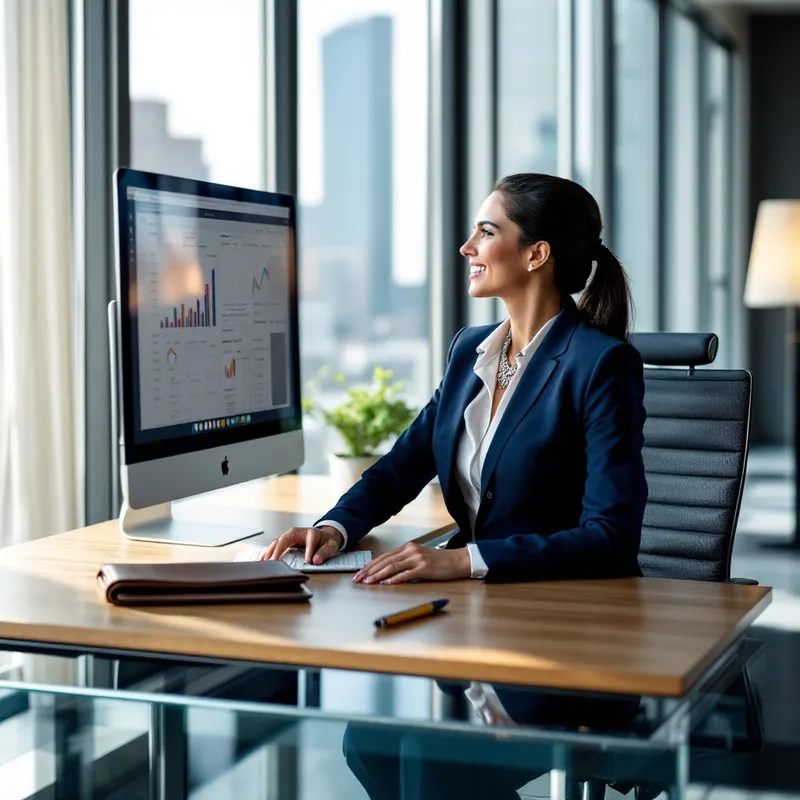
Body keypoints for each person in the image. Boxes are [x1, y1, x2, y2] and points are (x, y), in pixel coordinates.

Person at [265, 173, 648, 798]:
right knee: (368, 741)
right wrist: (334, 527)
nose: (467, 247)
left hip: (567, 636)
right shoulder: (471, 350)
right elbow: (403, 463)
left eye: (487, 231)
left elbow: (611, 536)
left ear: (536, 254)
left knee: (425, 760)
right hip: (480, 627)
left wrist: (463, 561)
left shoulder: (600, 364)